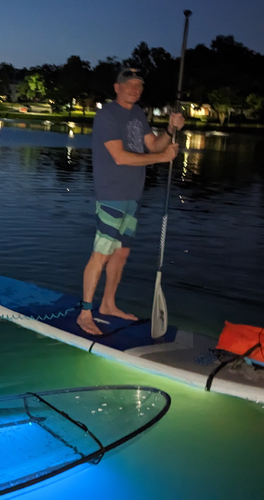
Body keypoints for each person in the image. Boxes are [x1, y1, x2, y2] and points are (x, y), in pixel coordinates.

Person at [77, 68, 184, 335]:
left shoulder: (137, 114)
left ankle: (108, 305)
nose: (134, 89)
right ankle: (85, 312)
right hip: (112, 194)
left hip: (132, 196)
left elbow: (153, 146)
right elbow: (120, 157)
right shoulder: (107, 115)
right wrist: (161, 160)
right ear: (117, 87)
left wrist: (170, 129)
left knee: (121, 253)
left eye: (138, 86)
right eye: (129, 85)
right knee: (101, 254)